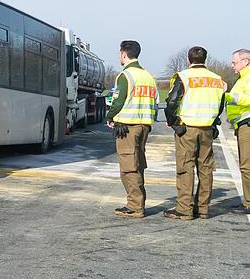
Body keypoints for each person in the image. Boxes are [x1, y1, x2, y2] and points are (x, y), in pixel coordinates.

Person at [164, 46, 226, 220]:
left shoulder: (184, 77)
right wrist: (213, 120)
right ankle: (203, 208)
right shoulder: (217, 79)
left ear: (188, 59)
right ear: (205, 59)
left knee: (186, 167)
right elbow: (220, 104)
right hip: (207, 128)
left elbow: (172, 102)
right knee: (206, 169)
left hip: (187, 128)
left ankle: (184, 209)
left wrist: (172, 121)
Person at [107, 40, 157, 217]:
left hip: (127, 127)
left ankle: (135, 206)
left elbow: (118, 101)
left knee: (128, 167)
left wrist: (110, 116)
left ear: (124, 54)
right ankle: (138, 203)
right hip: (144, 125)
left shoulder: (126, 75)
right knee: (138, 164)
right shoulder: (148, 76)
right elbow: (155, 103)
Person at [226, 48, 250, 214]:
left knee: (246, 166)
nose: (232, 65)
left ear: (245, 61)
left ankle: (248, 202)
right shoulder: (242, 79)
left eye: (235, 62)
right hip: (241, 125)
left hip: (247, 125)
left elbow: (246, 99)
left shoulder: (247, 79)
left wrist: (225, 95)